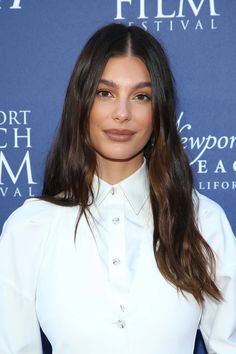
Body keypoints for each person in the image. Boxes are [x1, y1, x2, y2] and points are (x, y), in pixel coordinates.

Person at [0, 23, 235, 354]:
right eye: (105, 93)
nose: (122, 113)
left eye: (141, 96)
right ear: (81, 103)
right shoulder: (29, 228)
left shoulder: (204, 222)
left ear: (160, 111)